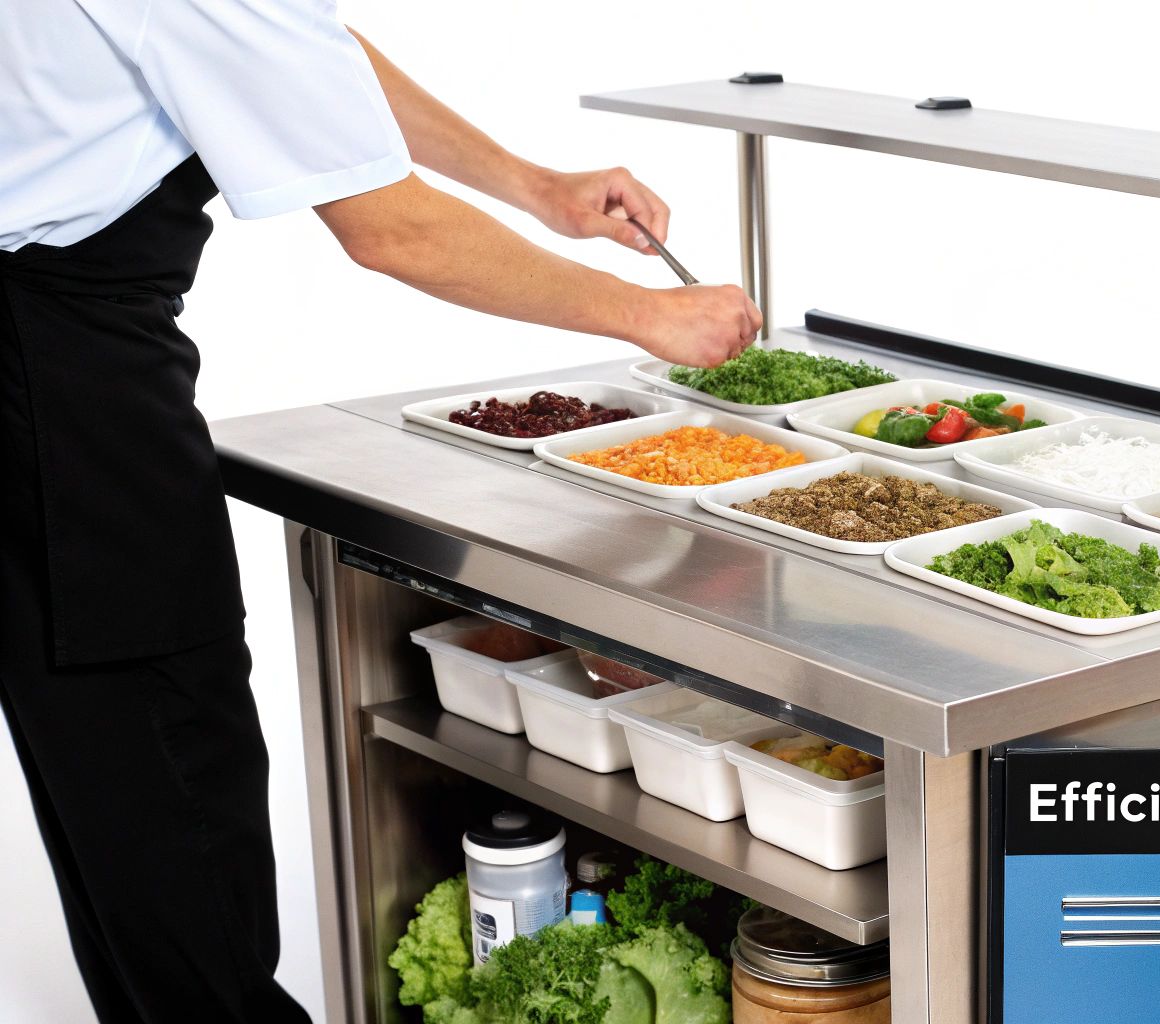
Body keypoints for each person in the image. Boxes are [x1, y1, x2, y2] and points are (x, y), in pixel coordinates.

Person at [0, 4, 759, 1021]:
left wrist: (535, 187)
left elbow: (315, 60)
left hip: (46, 348)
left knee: (114, 775)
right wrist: (648, 314)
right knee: (164, 770)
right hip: (53, 368)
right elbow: (392, 229)